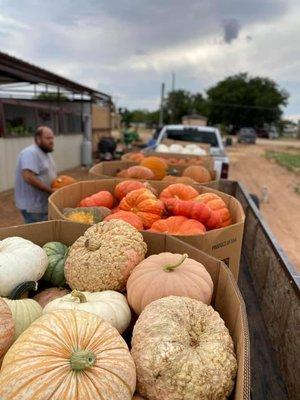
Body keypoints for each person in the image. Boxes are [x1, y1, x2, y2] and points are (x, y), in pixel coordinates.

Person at [14, 126, 57, 224]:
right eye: (48, 138)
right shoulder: (30, 153)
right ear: (38, 139)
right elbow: (28, 176)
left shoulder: (45, 153)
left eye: (52, 138)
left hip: (42, 205)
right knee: (38, 235)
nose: (51, 141)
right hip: (33, 207)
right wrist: (51, 190)